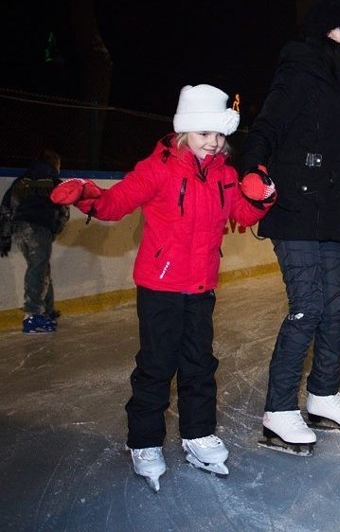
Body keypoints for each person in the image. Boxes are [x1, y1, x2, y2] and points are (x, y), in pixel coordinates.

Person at [50, 84, 275, 491]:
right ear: (184, 132)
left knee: (199, 365)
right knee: (156, 365)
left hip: (202, 286)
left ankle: (197, 434)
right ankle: (145, 441)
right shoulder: (158, 169)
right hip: (161, 286)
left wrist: (262, 196)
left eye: (219, 135)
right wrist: (87, 195)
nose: (213, 142)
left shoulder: (225, 176)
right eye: (205, 133)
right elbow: (116, 202)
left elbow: (243, 213)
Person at [241, 0, 340, 457]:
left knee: (336, 307)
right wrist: (251, 167)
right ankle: (279, 411)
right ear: (325, 33)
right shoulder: (300, 71)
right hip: (296, 208)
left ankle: (322, 395)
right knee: (309, 307)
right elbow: (267, 126)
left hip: (329, 207)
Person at [0, 149, 68, 333]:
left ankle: (46, 310)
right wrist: (54, 230)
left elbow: (7, 206)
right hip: (39, 227)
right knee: (38, 268)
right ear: (55, 165)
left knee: (40, 267)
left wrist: (5, 235)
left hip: (20, 228)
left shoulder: (22, 180)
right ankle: (32, 315)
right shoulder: (53, 181)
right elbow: (63, 211)